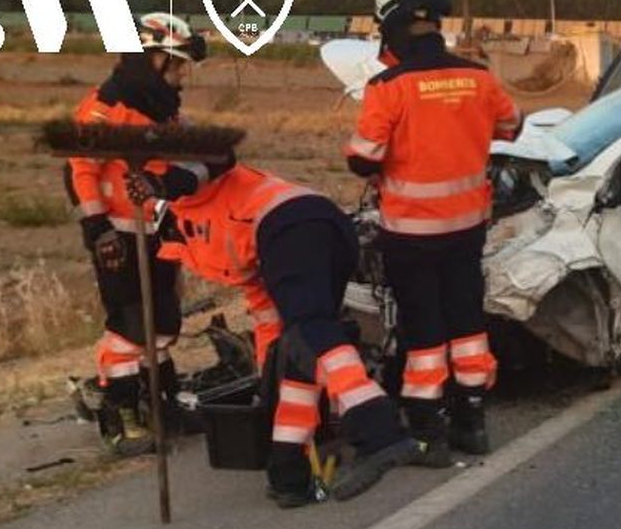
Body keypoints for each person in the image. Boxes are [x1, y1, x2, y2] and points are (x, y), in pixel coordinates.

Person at [157, 164, 422, 508]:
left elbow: (212, 160)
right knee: (299, 348)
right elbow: (272, 323)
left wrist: (159, 182)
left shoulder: (193, 204)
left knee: (310, 330)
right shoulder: (209, 231)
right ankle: (288, 470)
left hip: (292, 229)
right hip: (327, 227)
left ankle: (378, 428)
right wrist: (269, 376)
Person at [346, 0, 521, 466]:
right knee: (467, 323)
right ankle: (472, 421)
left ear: (391, 25)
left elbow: (363, 158)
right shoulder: (479, 77)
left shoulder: (389, 86)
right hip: (467, 229)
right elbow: (511, 126)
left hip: (411, 234)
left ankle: (428, 431)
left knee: (423, 329)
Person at [64, 13, 209, 455]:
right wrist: (98, 229)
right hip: (118, 238)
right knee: (129, 327)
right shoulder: (106, 107)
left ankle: (160, 405)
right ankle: (120, 414)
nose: (183, 74)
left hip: (158, 232)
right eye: (177, 64)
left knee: (162, 324)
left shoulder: (164, 108)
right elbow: (80, 170)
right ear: (152, 60)